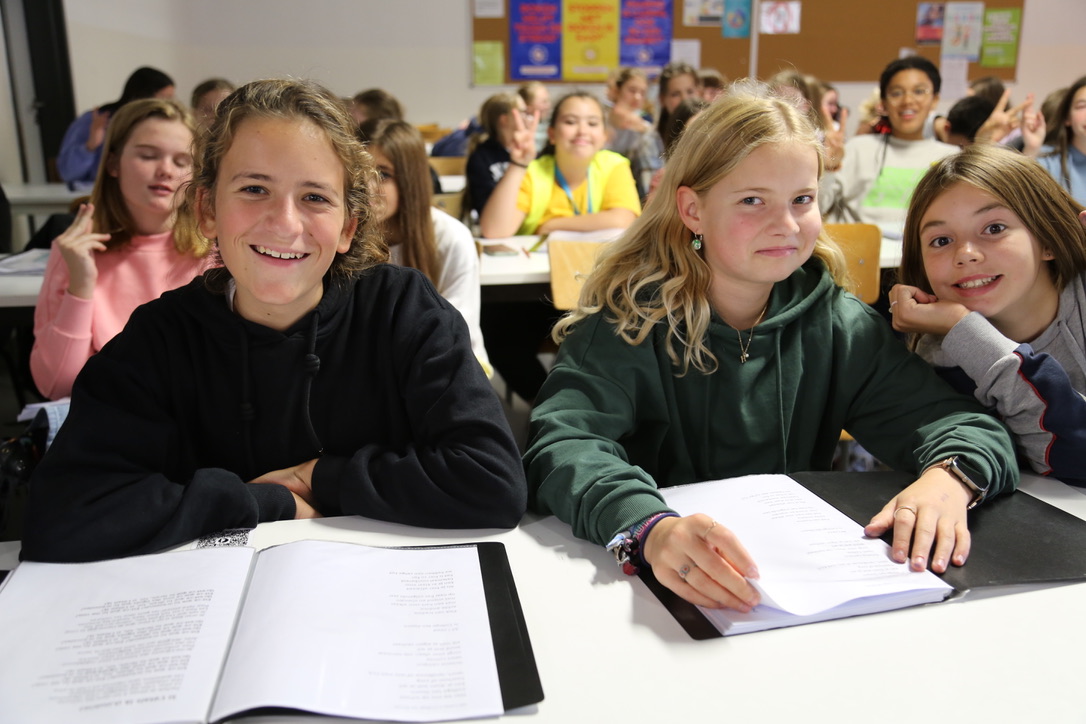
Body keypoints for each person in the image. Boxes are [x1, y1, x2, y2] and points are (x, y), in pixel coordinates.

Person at [523, 82, 1017, 610]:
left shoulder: (835, 323)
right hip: (647, 589)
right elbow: (563, 445)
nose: (784, 224)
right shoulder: (628, 323)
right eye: (752, 200)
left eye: (802, 200)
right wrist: (648, 526)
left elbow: (959, 424)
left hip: (787, 586)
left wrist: (951, 477)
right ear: (692, 209)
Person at [21, 78, 527, 563]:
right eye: (254, 189)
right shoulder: (162, 337)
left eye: (315, 197)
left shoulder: (403, 311)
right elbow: (62, 513)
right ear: (207, 209)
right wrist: (268, 502)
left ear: (348, 226)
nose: (285, 223)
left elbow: (493, 483)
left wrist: (321, 477)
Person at [891, 143, 1086, 486]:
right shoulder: (942, 353)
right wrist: (962, 330)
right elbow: (1069, 458)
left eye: (994, 228)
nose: (965, 254)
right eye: (941, 240)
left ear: (1048, 242)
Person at [31, 98, 210, 400]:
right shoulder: (75, 252)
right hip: (110, 427)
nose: (166, 170)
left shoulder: (213, 254)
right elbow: (58, 387)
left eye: (182, 162)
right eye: (148, 156)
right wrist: (81, 286)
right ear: (113, 163)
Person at [361, 118, 491, 372]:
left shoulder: (451, 238)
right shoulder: (341, 235)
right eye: (358, 171)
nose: (367, 187)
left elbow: (455, 331)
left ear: (410, 180)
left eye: (383, 174)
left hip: (450, 367)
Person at [479, 91, 641, 238]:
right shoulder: (533, 173)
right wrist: (518, 164)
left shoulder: (614, 165)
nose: (582, 131)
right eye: (570, 122)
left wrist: (552, 225)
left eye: (592, 123)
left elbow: (623, 219)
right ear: (552, 134)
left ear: (604, 136)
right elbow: (494, 232)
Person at [823, 57, 957, 234]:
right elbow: (817, 209)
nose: (908, 101)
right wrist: (828, 167)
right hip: (861, 257)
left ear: (934, 100)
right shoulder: (856, 149)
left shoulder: (951, 159)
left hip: (922, 259)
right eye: (896, 93)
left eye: (919, 91)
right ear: (884, 103)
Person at [57, 66, 176, 189]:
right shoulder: (95, 120)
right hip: (96, 195)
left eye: (171, 99)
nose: (168, 105)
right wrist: (91, 145)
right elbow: (67, 174)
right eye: (164, 98)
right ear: (144, 96)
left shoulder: (165, 126)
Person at [464, 91, 529, 217]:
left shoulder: (528, 153)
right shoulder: (481, 157)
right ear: (504, 120)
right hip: (498, 222)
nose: (527, 118)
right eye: (522, 113)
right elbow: (484, 207)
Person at [1025, 75, 1086, 205]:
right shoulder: (1046, 160)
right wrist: (1031, 148)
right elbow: (1018, 198)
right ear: (1067, 118)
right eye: (1082, 106)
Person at [606, 67, 664, 197]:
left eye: (643, 93)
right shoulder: (599, 120)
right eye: (632, 90)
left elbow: (653, 171)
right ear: (617, 91)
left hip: (634, 192)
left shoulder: (646, 129)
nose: (637, 97)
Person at [655, 61, 700, 140]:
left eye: (690, 92)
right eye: (675, 94)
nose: (685, 99)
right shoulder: (653, 140)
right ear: (662, 99)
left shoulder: (710, 131)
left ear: (699, 92)